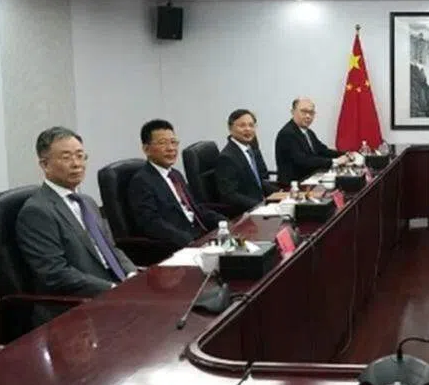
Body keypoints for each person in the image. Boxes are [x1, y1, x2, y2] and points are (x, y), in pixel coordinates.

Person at [16, 126, 136, 297]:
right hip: (83, 299)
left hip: (116, 285)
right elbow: (55, 274)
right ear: (45, 165)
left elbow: (111, 248)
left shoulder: (87, 202)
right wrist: (112, 289)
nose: (76, 164)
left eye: (80, 156)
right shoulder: (37, 212)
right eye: (66, 158)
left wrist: (132, 274)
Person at [128, 119, 223, 248]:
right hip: (178, 244)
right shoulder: (141, 181)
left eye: (173, 142)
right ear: (146, 149)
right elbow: (151, 223)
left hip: (201, 234)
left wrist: (224, 223)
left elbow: (195, 208)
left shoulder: (175, 174)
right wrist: (188, 241)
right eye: (162, 143)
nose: (171, 148)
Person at [275, 97, 351, 184]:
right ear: (293, 112)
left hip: (310, 179)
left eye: (311, 113)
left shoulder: (308, 132)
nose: (308, 116)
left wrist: (346, 154)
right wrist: (334, 161)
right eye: (304, 111)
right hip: (294, 185)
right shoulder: (287, 134)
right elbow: (303, 160)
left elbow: (323, 151)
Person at [216, 108, 277, 211]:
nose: (248, 129)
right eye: (242, 125)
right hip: (245, 211)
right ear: (230, 128)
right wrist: (261, 206)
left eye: (251, 125)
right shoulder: (227, 158)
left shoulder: (251, 149)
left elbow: (259, 182)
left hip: (261, 204)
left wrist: (282, 193)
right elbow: (230, 195)